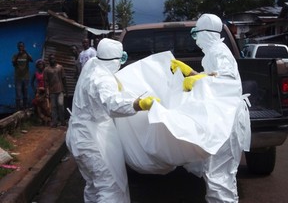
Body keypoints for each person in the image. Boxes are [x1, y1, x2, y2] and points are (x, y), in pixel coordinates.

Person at [66, 38, 160, 203]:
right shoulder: (103, 79)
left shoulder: (91, 65)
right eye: (121, 59)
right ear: (116, 60)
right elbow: (112, 104)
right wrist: (139, 104)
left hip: (77, 136)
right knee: (109, 188)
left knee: (93, 185)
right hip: (93, 140)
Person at [171, 13, 251, 202]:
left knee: (219, 177)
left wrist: (198, 80)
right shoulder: (213, 53)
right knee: (216, 174)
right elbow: (214, 78)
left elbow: (226, 81)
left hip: (227, 119)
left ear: (206, 33)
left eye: (195, 33)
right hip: (221, 116)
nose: (196, 38)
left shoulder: (218, 52)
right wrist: (191, 72)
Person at [43, 54, 68, 128]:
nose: (52, 60)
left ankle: (62, 121)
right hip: (52, 91)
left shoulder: (60, 67)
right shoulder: (46, 69)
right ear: (48, 60)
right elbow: (46, 82)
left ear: (55, 59)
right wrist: (46, 92)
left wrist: (66, 90)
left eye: (53, 59)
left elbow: (64, 79)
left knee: (60, 106)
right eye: (50, 59)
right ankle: (55, 122)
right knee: (53, 107)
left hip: (60, 90)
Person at [12, 41, 33, 110]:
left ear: (24, 47)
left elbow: (31, 60)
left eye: (22, 46)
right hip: (18, 78)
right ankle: (18, 109)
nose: (21, 47)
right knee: (18, 94)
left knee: (25, 93)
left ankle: (25, 107)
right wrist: (18, 55)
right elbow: (14, 64)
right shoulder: (15, 55)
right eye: (19, 46)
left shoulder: (26, 55)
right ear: (18, 47)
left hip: (26, 77)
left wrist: (26, 52)